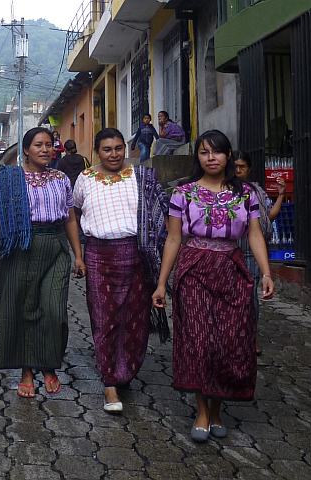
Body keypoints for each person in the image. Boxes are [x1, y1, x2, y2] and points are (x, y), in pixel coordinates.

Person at [152, 130, 275, 443]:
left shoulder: (246, 194)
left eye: (217, 152)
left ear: (228, 156)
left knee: (227, 339)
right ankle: (203, 412)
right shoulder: (183, 193)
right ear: (198, 157)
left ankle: (218, 409)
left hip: (231, 269)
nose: (211, 158)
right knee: (198, 338)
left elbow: (255, 235)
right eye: (204, 152)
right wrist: (162, 283)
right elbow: (174, 238)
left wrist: (265, 273)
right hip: (193, 269)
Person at [0, 127, 85, 398]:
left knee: (53, 310)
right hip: (19, 247)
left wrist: (78, 255)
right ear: (26, 150)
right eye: (39, 145)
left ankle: (48, 364)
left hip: (55, 247)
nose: (45, 150)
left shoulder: (61, 178)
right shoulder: (10, 179)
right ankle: (28, 371)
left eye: (49, 145)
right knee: (22, 309)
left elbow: (70, 218)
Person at [73, 128, 170, 414]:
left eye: (118, 148)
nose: (114, 154)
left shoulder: (142, 177)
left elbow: (160, 213)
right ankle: (109, 382)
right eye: (107, 149)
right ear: (96, 152)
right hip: (98, 254)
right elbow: (74, 211)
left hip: (137, 254)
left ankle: (124, 370)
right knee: (104, 318)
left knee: (134, 318)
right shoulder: (85, 179)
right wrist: (79, 253)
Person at [234, 152, 285, 355]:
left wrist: (281, 195)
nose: (238, 170)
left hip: (250, 251)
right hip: (230, 250)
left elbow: (269, 217)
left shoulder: (257, 191)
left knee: (250, 298)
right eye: (235, 166)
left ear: (249, 169)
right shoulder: (225, 189)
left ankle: (251, 339)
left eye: (242, 167)